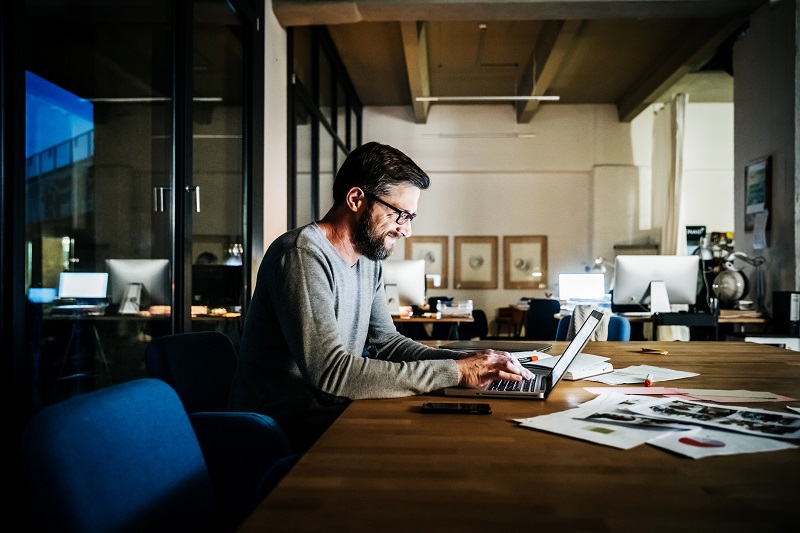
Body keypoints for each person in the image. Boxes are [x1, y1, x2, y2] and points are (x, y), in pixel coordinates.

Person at [229, 142, 531, 452]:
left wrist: (469, 363)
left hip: (334, 415)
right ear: (357, 198)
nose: (407, 230)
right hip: (284, 431)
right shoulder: (301, 256)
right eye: (401, 214)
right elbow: (331, 373)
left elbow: (388, 343)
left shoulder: (367, 261)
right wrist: (454, 373)